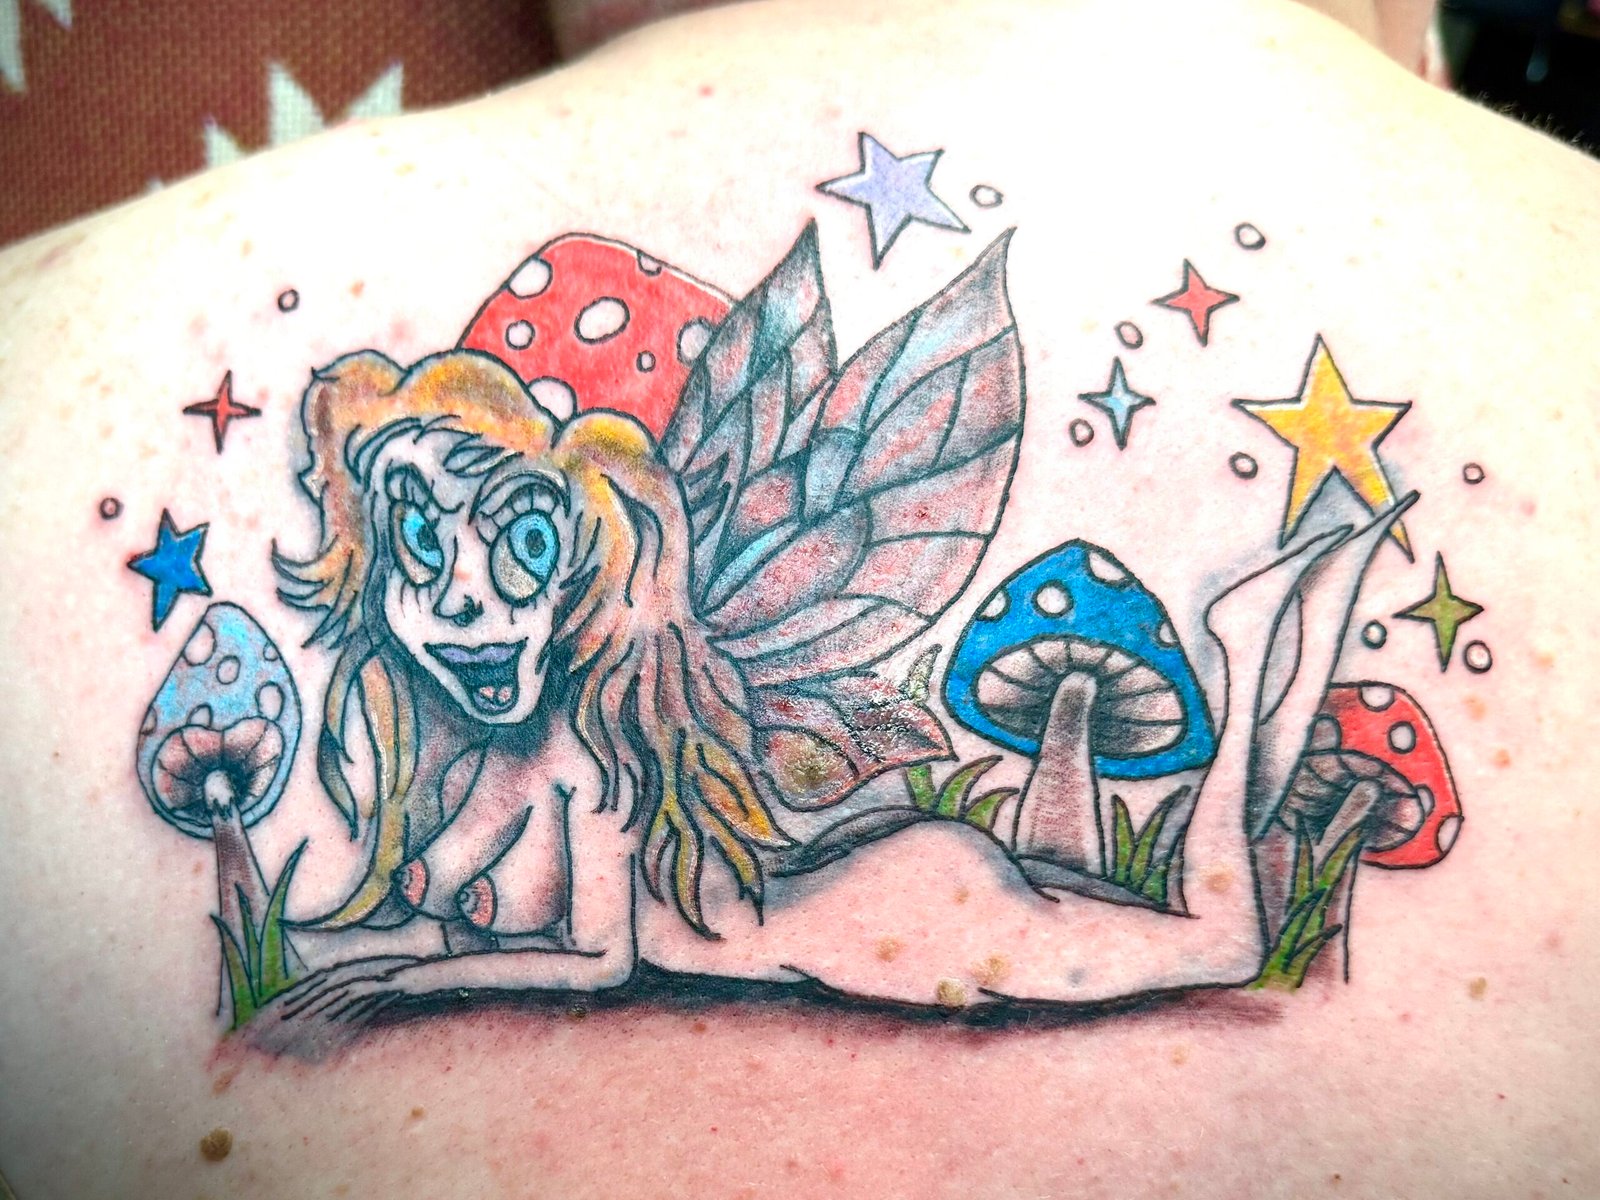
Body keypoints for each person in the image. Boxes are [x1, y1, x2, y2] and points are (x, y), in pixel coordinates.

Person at [1, 1, 1596, 1196]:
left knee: (1216, 937)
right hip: (857, 904)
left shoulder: (31, 361)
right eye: (422, 558)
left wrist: (400, 971)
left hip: (888, 914)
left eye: (515, 556)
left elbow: (594, 960)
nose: (467, 613)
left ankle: (1254, 655)